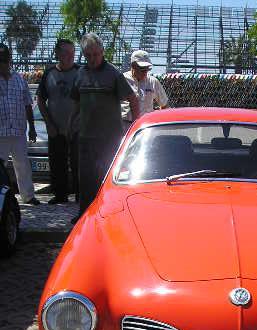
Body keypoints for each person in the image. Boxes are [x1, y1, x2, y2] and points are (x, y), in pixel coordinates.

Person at [69, 33, 139, 222]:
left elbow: (133, 100)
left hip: (110, 138)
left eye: (96, 54)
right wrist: (70, 125)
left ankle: (110, 213)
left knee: (108, 177)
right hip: (86, 137)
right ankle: (85, 214)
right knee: (85, 178)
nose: (92, 59)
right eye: (88, 55)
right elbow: (76, 103)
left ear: (102, 52)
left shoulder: (113, 73)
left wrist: (135, 125)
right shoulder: (80, 74)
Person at [37, 39, 79, 204]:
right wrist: (49, 123)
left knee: (78, 164)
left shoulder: (80, 72)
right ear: (57, 53)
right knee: (57, 163)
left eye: (72, 52)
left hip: (76, 128)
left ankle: (80, 196)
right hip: (55, 128)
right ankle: (60, 195)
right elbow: (40, 100)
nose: (70, 56)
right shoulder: (49, 73)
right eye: (66, 52)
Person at [0, 43, 40, 205]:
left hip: (18, 131)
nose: (2, 63)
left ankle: (28, 196)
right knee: (0, 167)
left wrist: (32, 128)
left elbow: (28, 104)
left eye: (4, 60)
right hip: (1, 132)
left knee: (23, 165)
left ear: (9, 60)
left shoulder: (19, 79)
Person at [121, 50, 168, 131]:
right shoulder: (122, 80)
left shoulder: (153, 82)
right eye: (142, 69)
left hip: (146, 126)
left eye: (147, 69)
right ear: (133, 66)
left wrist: (160, 124)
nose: (145, 72)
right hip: (125, 125)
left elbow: (164, 105)